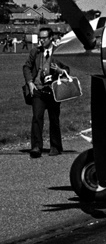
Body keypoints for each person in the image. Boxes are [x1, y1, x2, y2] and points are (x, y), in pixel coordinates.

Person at [23, 29, 70, 158]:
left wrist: (60, 70)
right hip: (38, 90)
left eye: (44, 38)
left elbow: (67, 71)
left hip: (54, 91)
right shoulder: (35, 52)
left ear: (51, 38)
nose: (41, 40)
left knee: (54, 119)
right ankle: (36, 147)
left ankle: (55, 146)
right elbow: (26, 67)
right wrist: (30, 83)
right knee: (37, 117)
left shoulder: (59, 52)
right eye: (40, 38)